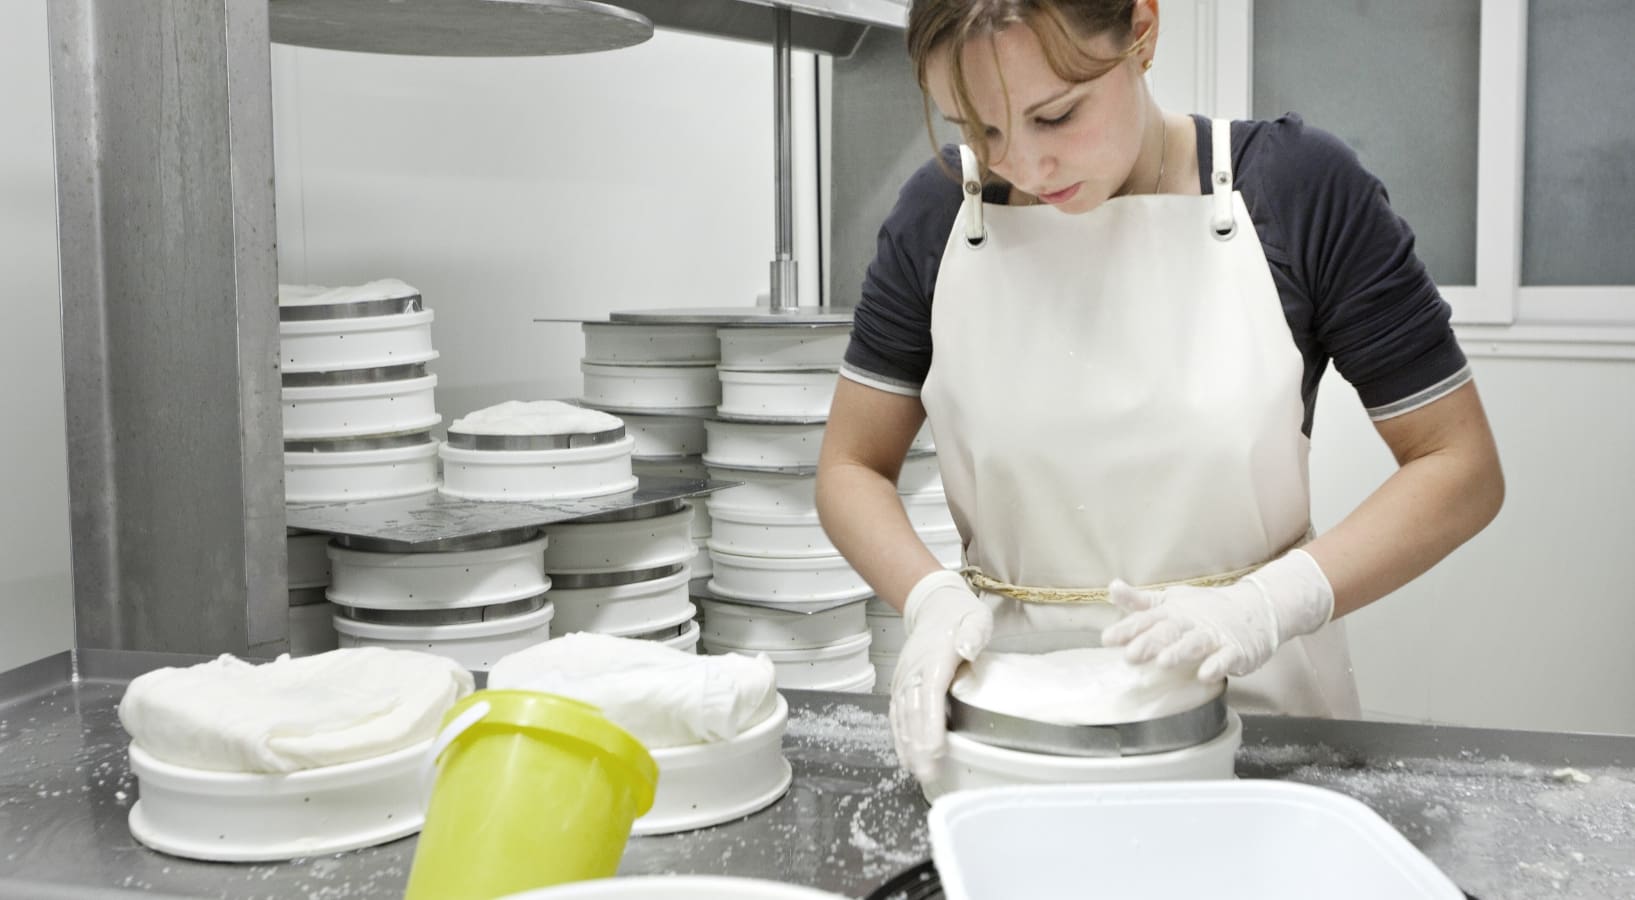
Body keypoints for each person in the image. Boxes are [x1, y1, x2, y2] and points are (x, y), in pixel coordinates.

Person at [813, 0, 1505, 783]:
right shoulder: (940, 215)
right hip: (1015, 721)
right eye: (980, 129)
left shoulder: (1295, 189)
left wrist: (1267, 604)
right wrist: (928, 600)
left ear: (1140, 32)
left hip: (1261, 725)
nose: (1025, 167)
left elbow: (1458, 466)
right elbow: (850, 467)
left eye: (1055, 115)